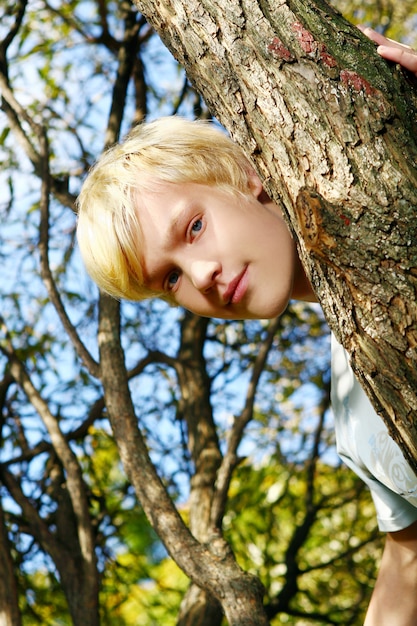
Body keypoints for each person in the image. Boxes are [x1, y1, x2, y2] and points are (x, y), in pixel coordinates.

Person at [76, 30, 417, 625]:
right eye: (171, 281)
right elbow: (408, 554)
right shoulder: (357, 419)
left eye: (193, 229)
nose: (201, 276)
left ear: (242, 173)